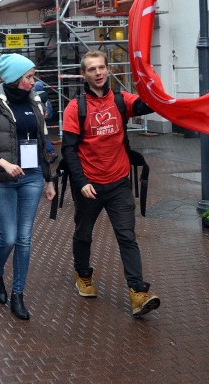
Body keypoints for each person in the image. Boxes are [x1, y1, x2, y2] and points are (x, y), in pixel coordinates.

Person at [61, 50, 161, 317]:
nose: (98, 73)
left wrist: (151, 83)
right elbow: (69, 150)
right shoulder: (75, 107)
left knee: (127, 237)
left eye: (102, 68)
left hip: (118, 183)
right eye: (92, 69)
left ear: (107, 70)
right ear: (84, 74)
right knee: (84, 234)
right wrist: (81, 181)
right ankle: (83, 274)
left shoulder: (120, 100)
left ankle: (138, 292)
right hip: (89, 187)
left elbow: (146, 105)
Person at [0, 53, 56, 321]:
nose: (34, 81)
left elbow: (43, 141)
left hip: (32, 176)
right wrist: (3, 163)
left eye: (33, 76)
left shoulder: (35, 100)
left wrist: (49, 179)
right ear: (13, 78)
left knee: (24, 239)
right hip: (2, 178)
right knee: (7, 237)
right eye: (29, 77)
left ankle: (18, 294)